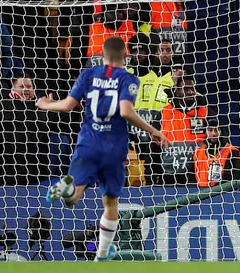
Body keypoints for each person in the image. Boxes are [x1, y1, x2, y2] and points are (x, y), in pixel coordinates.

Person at [35, 36, 171, 261]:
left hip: (88, 141)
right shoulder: (129, 79)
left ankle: (65, 186)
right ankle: (101, 255)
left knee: (72, 199)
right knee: (111, 202)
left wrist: (47, 105)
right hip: (114, 147)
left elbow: (68, 105)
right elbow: (126, 111)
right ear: (126, 56)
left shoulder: (88, 74)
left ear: (102, 55)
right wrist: (152, 130)